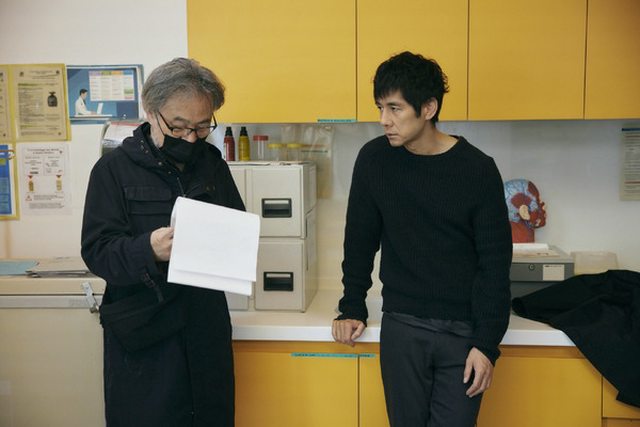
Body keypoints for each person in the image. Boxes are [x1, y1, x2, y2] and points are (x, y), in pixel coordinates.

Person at [332, 51, 512, 427]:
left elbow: (494, 264)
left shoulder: (478, 170)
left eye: (395, 108)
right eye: (381, 108)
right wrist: (352, 306)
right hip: (402, 327)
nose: (384, 120)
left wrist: (486, 344)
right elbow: (359, 240)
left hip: (463, 333)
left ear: (428, 108)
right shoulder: (374, 160)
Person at [81, 58, 244, 427]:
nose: (191, 139)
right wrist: (148, 249)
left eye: (202, 127)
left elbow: (235, 228)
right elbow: (97, 251)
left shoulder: (213, 166)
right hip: (146, 336)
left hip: (204, 328)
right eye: (179, 127)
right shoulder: (113, 170)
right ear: (150, 111)